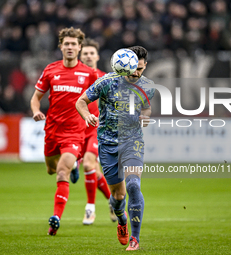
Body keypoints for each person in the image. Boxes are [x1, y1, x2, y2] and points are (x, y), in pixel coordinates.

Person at [76, 46, 155, 250]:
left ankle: (135, 238)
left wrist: (145, 115)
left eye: (140, 68)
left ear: (145, 65)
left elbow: (146, 106)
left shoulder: (148, 86)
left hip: (132, 142)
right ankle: (121, 220)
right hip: (108, 144)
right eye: (132, 69)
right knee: (118, 197)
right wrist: (87, 116)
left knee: (133, 186)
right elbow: (81, 101)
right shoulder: (106, 82)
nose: (136, 73)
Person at [30, 27, 98, 236]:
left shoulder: (89, 74)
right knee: (51, 169)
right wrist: (35, 111)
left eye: (73, 44)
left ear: (79, 48)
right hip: (52, 130)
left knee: (61, 172)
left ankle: (55, 219)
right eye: (66, 44)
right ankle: (75, 167)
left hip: (74, 133)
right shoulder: (51, 70)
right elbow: (36, 98)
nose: (70, 47)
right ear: (61, 46)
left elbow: (100, 99)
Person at [78, 38, 117, 224]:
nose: (88, 56)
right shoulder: (73, 76)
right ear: (80, 56)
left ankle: (90, 209)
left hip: (96, 128)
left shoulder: (104, 78)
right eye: (85, 53)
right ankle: (113, 201)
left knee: (87, 165)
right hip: (77, 130)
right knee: (95, 172)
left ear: (97, 56)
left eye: (91, 53)